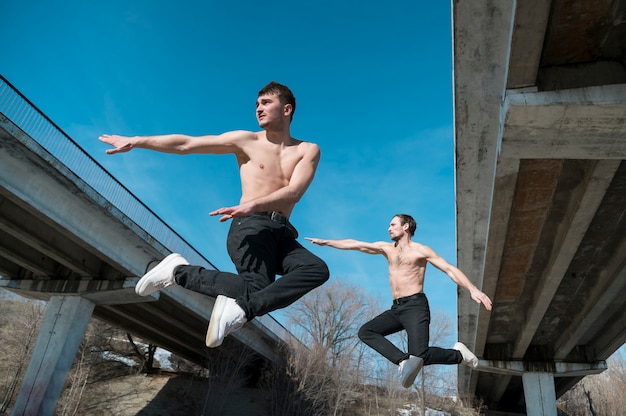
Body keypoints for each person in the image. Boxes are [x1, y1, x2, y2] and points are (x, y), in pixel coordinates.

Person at [99, 81, 330, 348]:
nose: (258, 109)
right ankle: (178, 271)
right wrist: (137, 141)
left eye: (266, 103)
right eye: (256, 104)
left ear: (287, 109)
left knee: (316, 269)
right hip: (250, 228)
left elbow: (294, 191)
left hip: (281, 233)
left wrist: (254, 204)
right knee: (256, 288)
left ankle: (240, 307)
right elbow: (187, 144)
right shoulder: (246, 141)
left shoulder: (307, 150)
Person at [305, 214, 492, 388]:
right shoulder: (387, 249)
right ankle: (403, 360)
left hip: (416, 306)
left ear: (406, 226)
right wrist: (327, 242)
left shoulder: (421, 250)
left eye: (393, 224)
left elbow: (449, 269)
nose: (389, 228)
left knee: (421, 356)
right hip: (396, 309)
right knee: (366, 331)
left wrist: (472, 289)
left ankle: (459, 354)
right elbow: (355, 244)